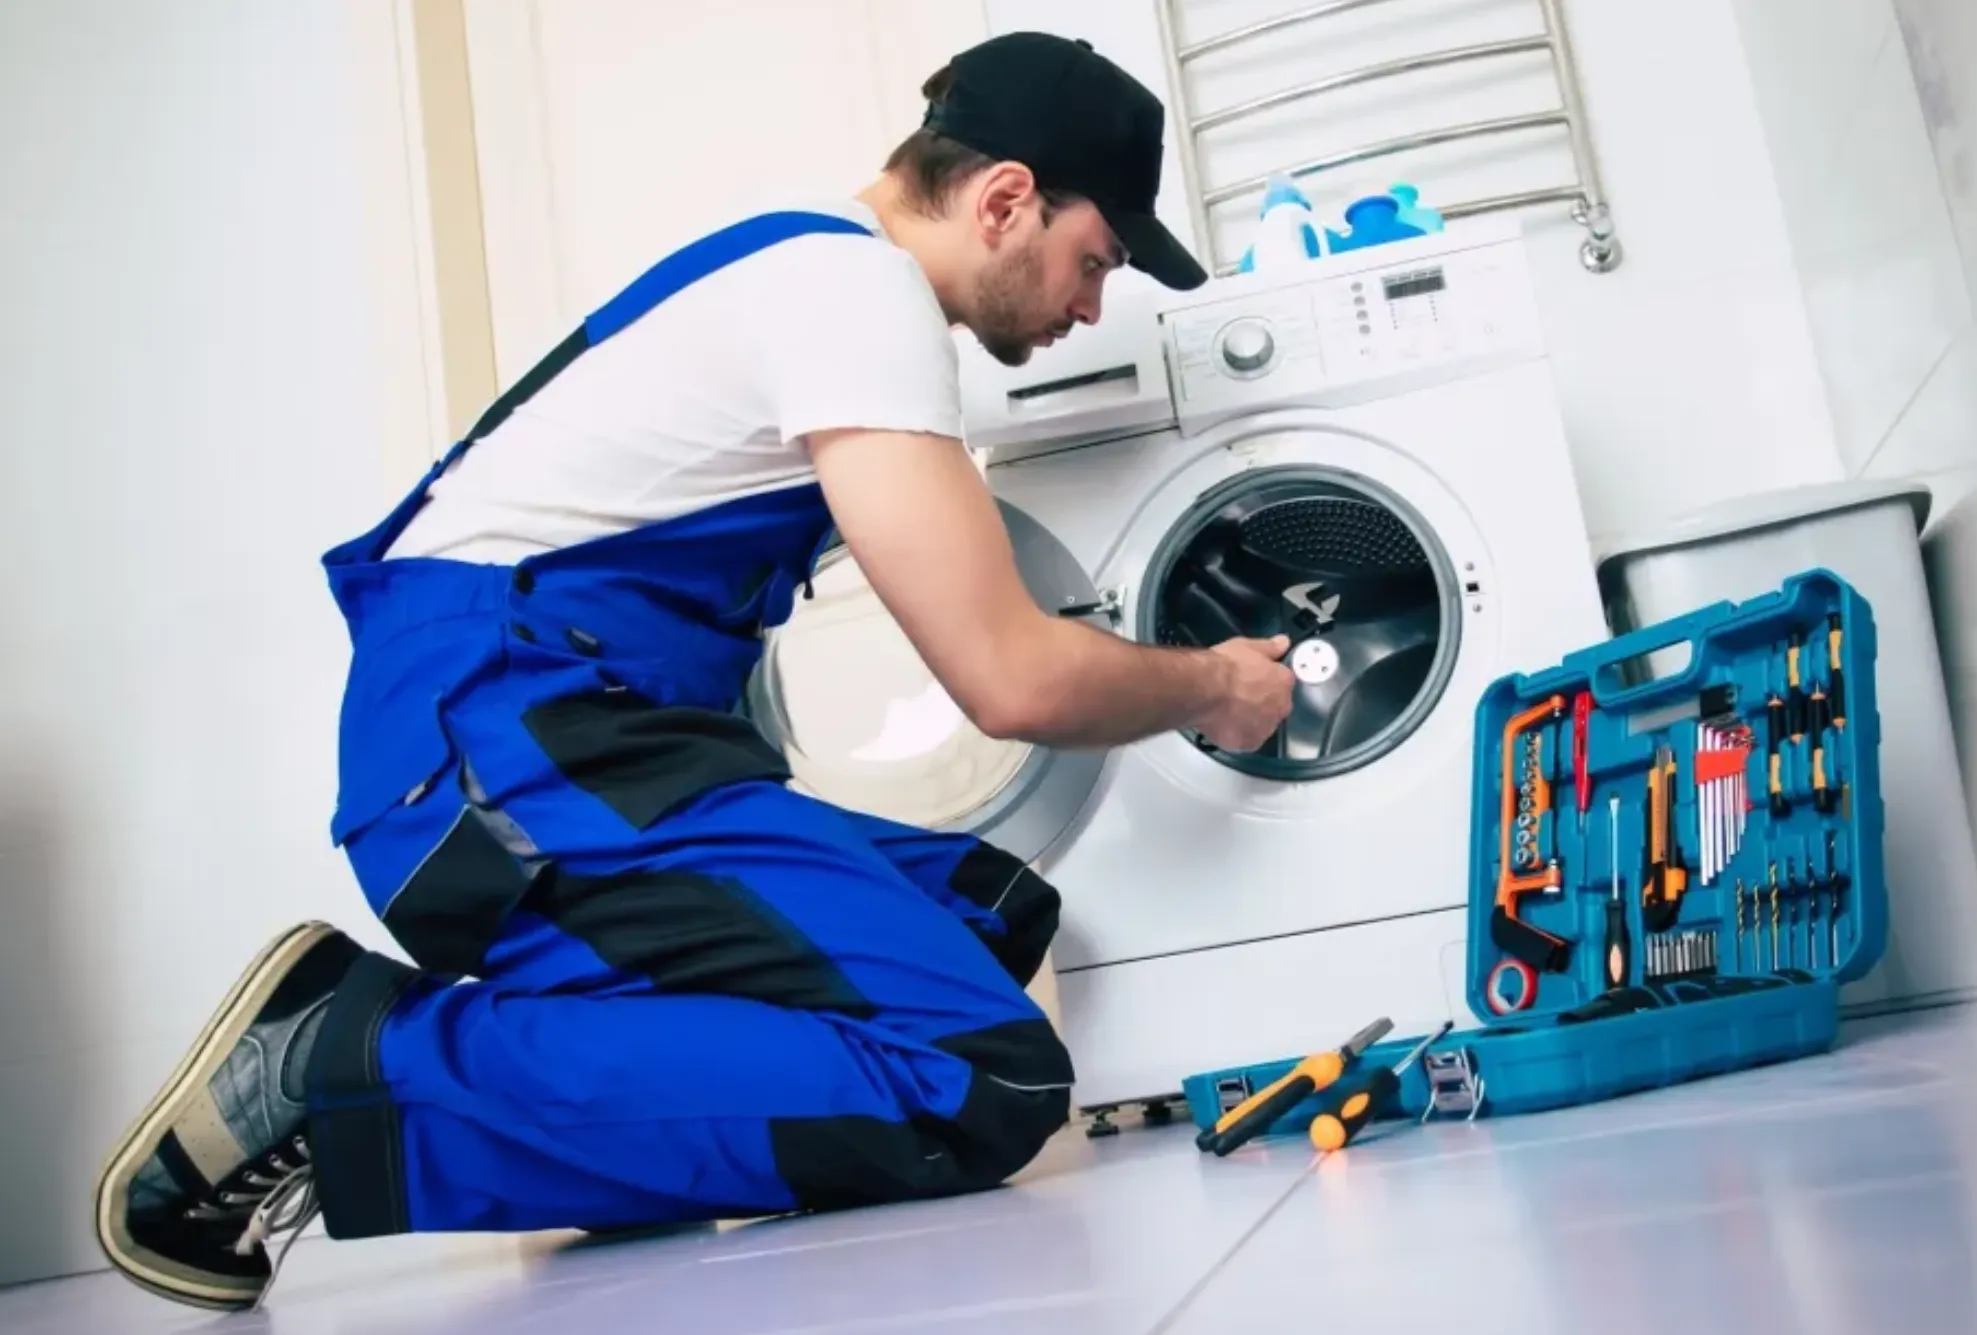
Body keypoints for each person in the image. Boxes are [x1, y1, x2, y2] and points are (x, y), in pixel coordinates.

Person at [93, 30, 1296, 1311]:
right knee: (979, 1078)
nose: (1089, 306)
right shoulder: (854, 298)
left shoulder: (807, 278)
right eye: (1093, 261)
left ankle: (580, 1146)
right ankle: (346, 1060)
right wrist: (1213, 684)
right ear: (1005, 199)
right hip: (495, 744)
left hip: (542, 744)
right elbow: (1014, 682)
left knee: (984, 918)